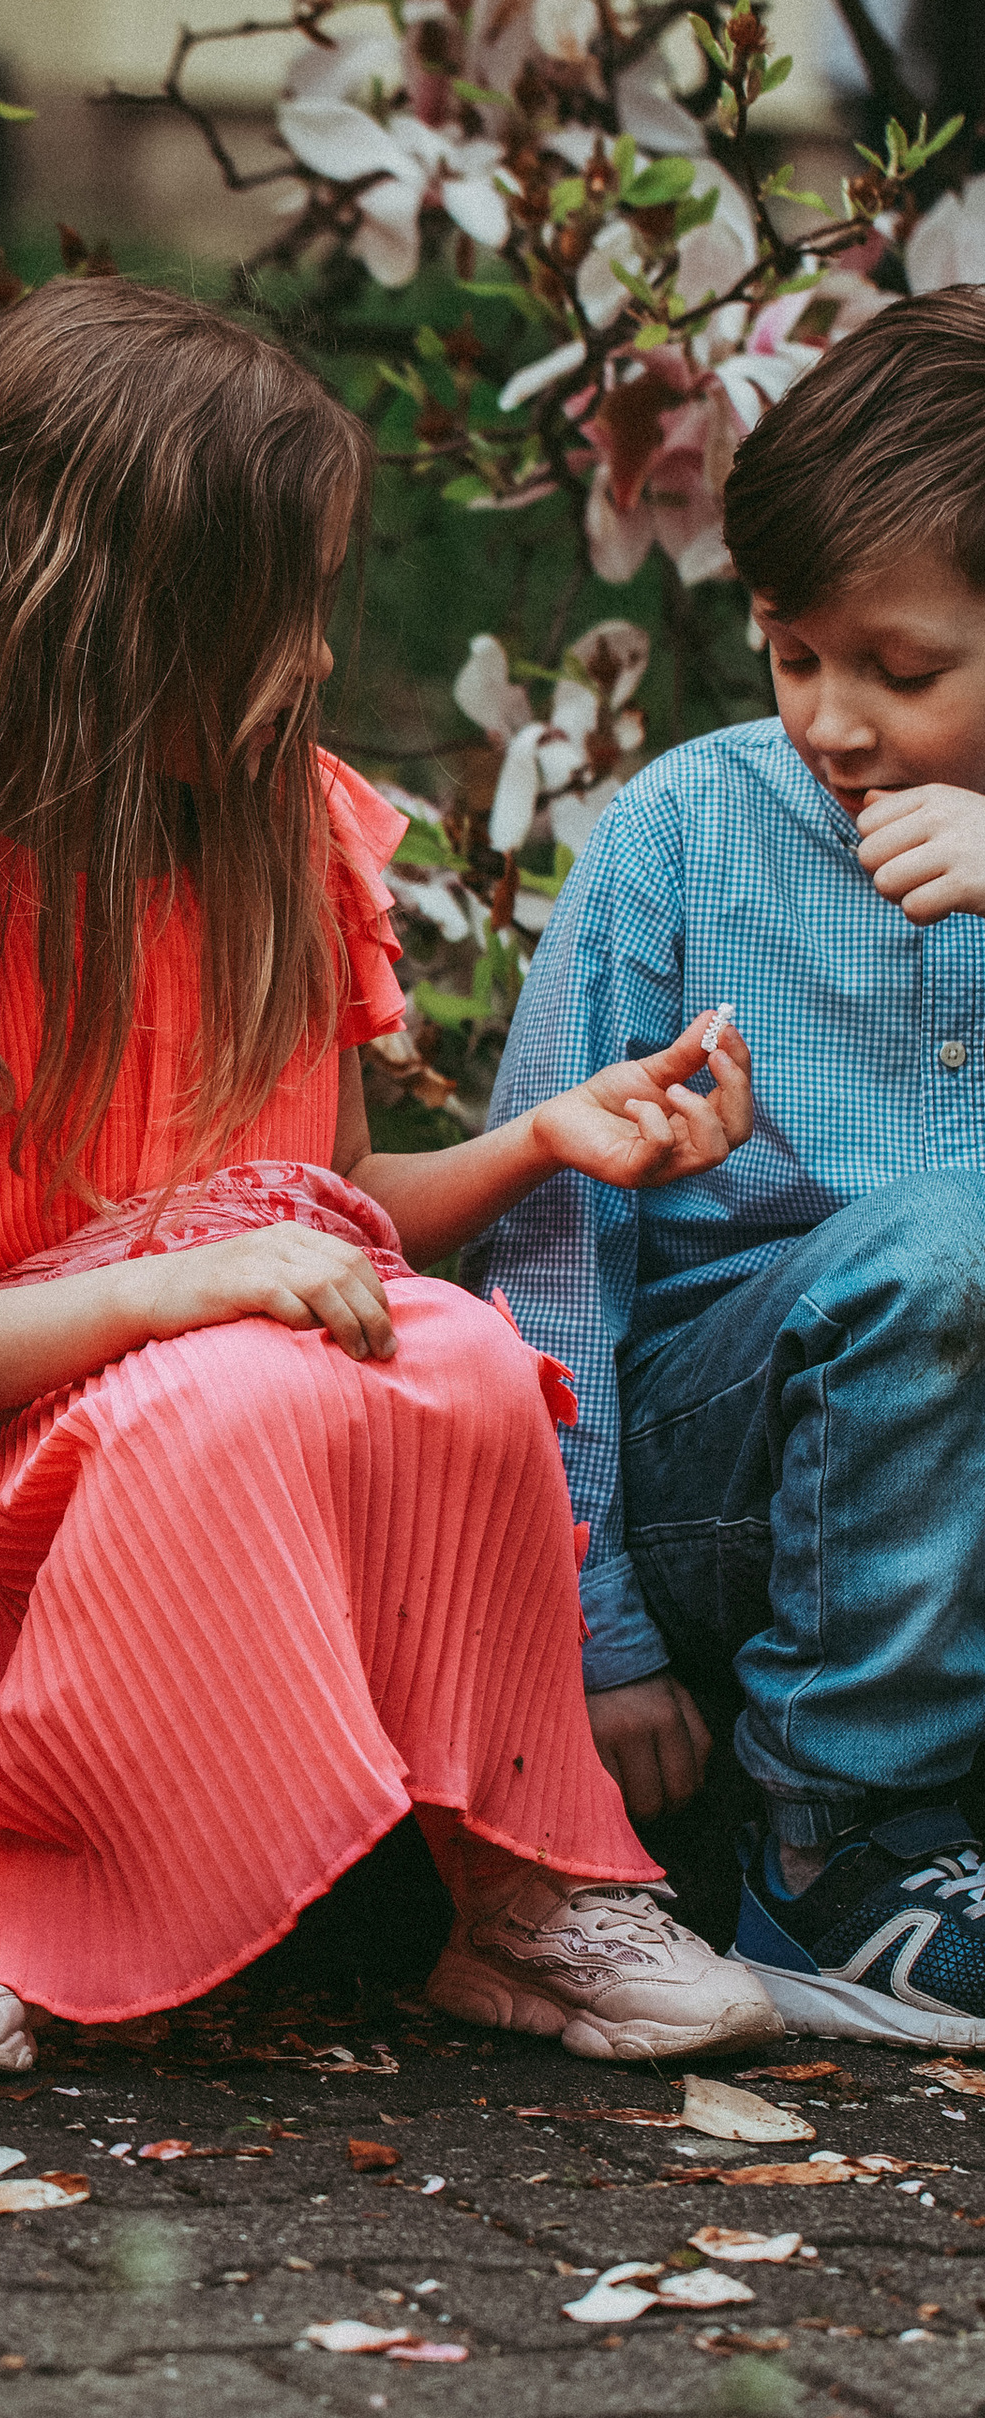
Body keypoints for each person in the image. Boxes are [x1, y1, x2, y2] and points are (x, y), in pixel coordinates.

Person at [0, 277, 778, 2077]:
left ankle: (527, 1887)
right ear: (109, 623)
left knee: (456, 1353)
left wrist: (544, 1141)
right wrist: (189, 1297)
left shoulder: (287, 846)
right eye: (277, 610)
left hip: (226, 1425)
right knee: (228, 1389)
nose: (315, 654)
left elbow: (326, 1212)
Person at [475, 286, 985, 2047]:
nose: (832, 721)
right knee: (946, 1245)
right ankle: (833, 1859)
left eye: (902, 673)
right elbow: (546, 1247)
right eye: (792, 653)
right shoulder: (689, 835)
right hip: (732, 1479)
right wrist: (592, 1630)